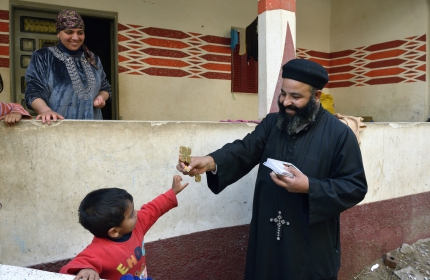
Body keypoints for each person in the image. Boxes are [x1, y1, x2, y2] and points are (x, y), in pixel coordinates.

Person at [177, 58, 368, 279]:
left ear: (316, 96)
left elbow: (354, 186)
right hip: (268, 236)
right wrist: (210, 161)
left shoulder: (339, 134)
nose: (286, 102)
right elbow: (244, 150)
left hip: (311, 243)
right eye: (283, 94)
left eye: (295, 97)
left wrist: (309, 186)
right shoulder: (272, 123)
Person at [60, 175, 189, 280]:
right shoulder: (98, 251)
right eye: (131, 214)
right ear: (115, 231)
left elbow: (153, 209)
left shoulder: (137, 225)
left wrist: (173, 192)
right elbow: (66, 271)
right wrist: (87, 269)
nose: (137, 213)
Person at [24, 9, 111, 125]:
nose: (75, 37)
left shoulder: (93, 59)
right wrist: (45, 111)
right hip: (57, 127)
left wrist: (101, 97)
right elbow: (34, 91)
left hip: (92, 130)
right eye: (69, 32)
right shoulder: (44, 56)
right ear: (58, 34)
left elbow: (105, 88)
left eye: (80, 32)